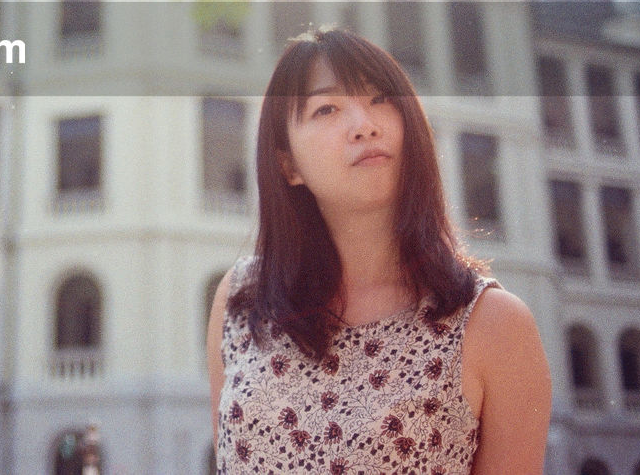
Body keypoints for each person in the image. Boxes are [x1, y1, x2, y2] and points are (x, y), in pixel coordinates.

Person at [207, 27, 550, 474]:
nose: (364, 125)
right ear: (288, 164)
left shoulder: (495, 325)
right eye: (327, 108)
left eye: (381, 99)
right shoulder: (241, 300)